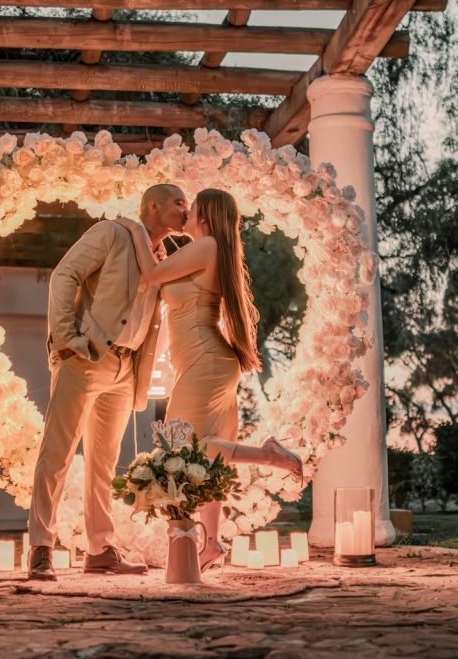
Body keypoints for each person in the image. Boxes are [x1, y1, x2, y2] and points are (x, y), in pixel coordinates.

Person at [116, 188, 302, 573]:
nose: (185, 212)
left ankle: (272, 456)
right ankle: (212, 543)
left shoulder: (208, 246)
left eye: (190, 206)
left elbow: (150, 276)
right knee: (206, 462)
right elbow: (163, 274)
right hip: (208, 361)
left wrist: (135, 229)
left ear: (205, 213)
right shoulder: (206, 249)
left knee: (185, 450)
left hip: (206, 360)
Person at [26, 184, 190, 581]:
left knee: (104, 462)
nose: (187, 211)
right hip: (85, 359)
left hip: (125, 369)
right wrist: (67, 340)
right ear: (154, 205)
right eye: (179, 203)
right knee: (58, 453)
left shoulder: (162, 256)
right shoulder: (110, 234)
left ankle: (99, 549)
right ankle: (40, 547)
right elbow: (64, 275)